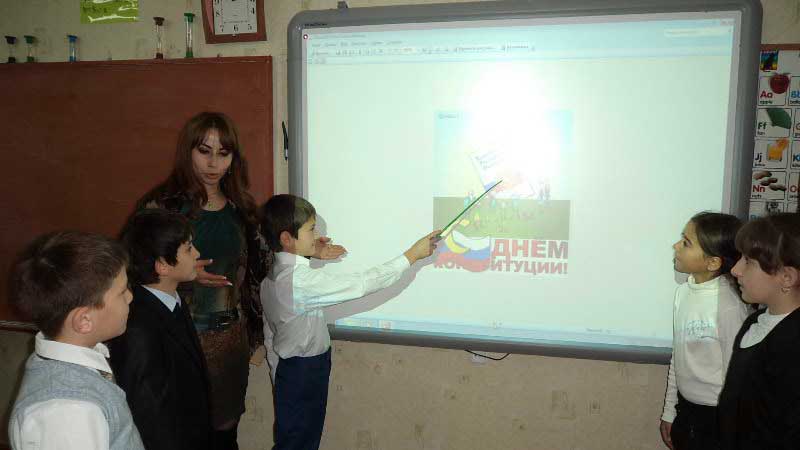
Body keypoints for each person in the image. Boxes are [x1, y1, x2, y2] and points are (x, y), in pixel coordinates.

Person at [259, 194, 440, 450]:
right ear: (287, 239)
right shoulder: (298, 282)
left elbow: (271, 336)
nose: (317, 235)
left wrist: (279, 377)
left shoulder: (274, 278)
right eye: (311, 230)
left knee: (299, 441)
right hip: (302, 374)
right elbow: (362, 283)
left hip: (295, 372)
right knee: (299, 443)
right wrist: (411, 255)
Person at [136, 111, 267, 449]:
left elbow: (258, 271)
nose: (213, 163)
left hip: (229, 341)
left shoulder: (241, 207)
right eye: (204, 151)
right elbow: (133, 269)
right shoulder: (162, 207)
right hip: (175, 339)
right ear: (188, 151)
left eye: (223, 153)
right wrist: (185, 275)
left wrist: (304, 250)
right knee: (180, 435)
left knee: (225, 437)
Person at [7, 231, 144, 450]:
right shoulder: (66, 413)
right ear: (84, 320)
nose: (130, 297)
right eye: (121, 292)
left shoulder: (76, 355)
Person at [109, 209, 212, 450]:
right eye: (188, 248)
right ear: (163, 265)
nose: (197, 254)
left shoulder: (173, 300)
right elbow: (149, 415)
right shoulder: (138, 327)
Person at [659, 212, 749, 450]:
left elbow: (736, 376)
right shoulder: (683, 293)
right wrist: (669, 412)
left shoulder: (729, 306)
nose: (676, 246)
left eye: (686, 243)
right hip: (686, 410)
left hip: (717, 417)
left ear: (713, 262)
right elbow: (678, 358)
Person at [718, 212, 800, 449]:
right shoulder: (754, 323)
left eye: (748, 262)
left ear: (786, 277)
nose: (735, 270)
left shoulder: (792, 342)